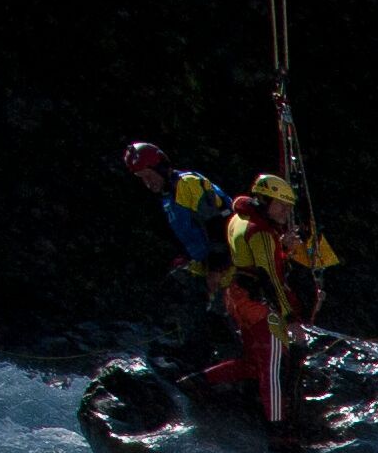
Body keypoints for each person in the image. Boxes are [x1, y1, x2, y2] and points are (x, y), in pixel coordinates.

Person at [209, 173, 336, 437]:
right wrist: (290, 318)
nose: (286, 212)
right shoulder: (262, 232)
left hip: (238, 298)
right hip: (258, 306)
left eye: (288, 206)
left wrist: (283, 248)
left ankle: (199, 382)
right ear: (264, 201)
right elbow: (271, 277)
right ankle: (278, 430)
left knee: (254, 363)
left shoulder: (239, 219)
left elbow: (254, 259)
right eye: (280, 205)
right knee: (273, 369)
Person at [122, 142, 235, 363]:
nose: (147, 182)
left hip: (230, 258)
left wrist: (215, 269)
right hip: (207, 259)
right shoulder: (167, 196)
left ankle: (229, 361)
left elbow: (216, 224)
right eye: (142, 179)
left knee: (218, 314)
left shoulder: (187, 184)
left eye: (149, 176)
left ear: (161, 168)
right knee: (178, 285)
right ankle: (194, 350)